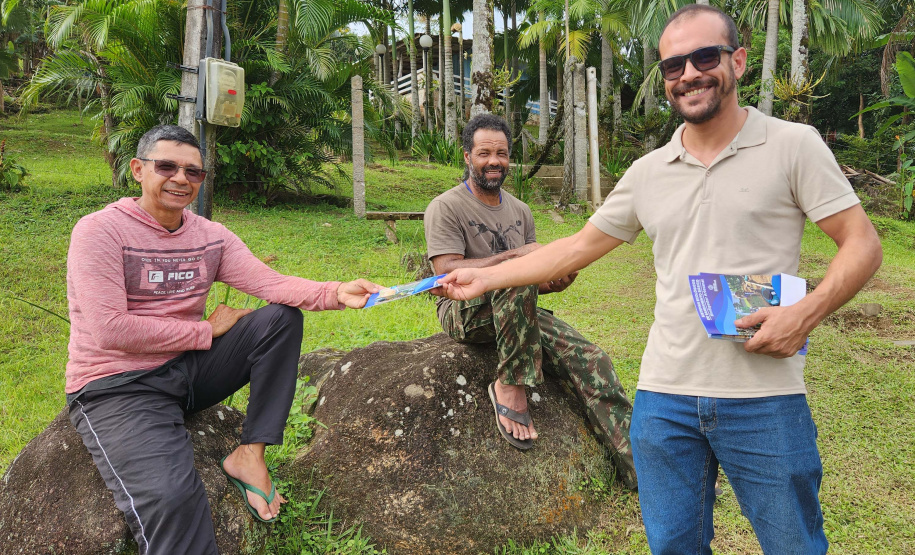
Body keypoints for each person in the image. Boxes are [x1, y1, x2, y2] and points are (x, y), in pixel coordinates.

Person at [436, 6, 882, 554]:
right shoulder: (649, 171)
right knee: (672, 545)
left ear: (738, 61)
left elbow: (862, 244)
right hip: (664, 397)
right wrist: (483, 281)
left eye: (704, 57)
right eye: (674, 65)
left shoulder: (794, 145)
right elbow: (575, 247)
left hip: (764, 398)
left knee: (793, 545)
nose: (689, 73)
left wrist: (805, 312)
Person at [65, 125, 380, 554]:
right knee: (173, 498)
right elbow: (110, 329)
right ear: (138, 170)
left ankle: (250, 455)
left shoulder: (209, 236)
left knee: (279, 320)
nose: (181, 179)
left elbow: (268, 283)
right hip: (120, 386)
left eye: (193, 172)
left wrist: (335, 292)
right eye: (167, 167)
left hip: (189, 369)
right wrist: (204, 330)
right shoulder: (99, 231)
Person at [424, 113, 637, 490]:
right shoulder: (446, 206)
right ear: (467, 157)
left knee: (592, 359)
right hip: (464, 312)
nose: (494, 161)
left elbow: (530, 281)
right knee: (519, 271)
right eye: (485, 152)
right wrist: (517, 259)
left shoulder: (520, 210)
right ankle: (510, 383)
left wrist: (552, 282)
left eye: (502, 153)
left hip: (518, 308)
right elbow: (446, 274)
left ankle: (642, 467)